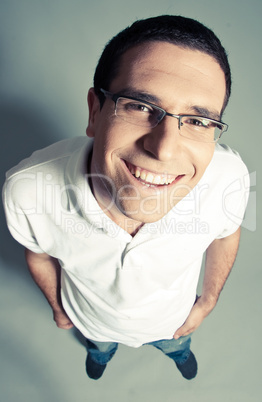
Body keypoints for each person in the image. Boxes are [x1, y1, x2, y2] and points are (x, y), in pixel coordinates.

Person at [2, 15, 249, 381]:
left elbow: (227, 233)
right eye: (140, 106)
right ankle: (100, 354)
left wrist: (208, 300)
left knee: (178, 344)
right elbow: (38, 253)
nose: (164, 150)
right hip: (93, 324)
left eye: (197, 121)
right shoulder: (27, 190)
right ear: (95, 110)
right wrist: (58, 308)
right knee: (98, 349)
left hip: (173, 322)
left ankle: (177, 351)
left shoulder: (230, 178)